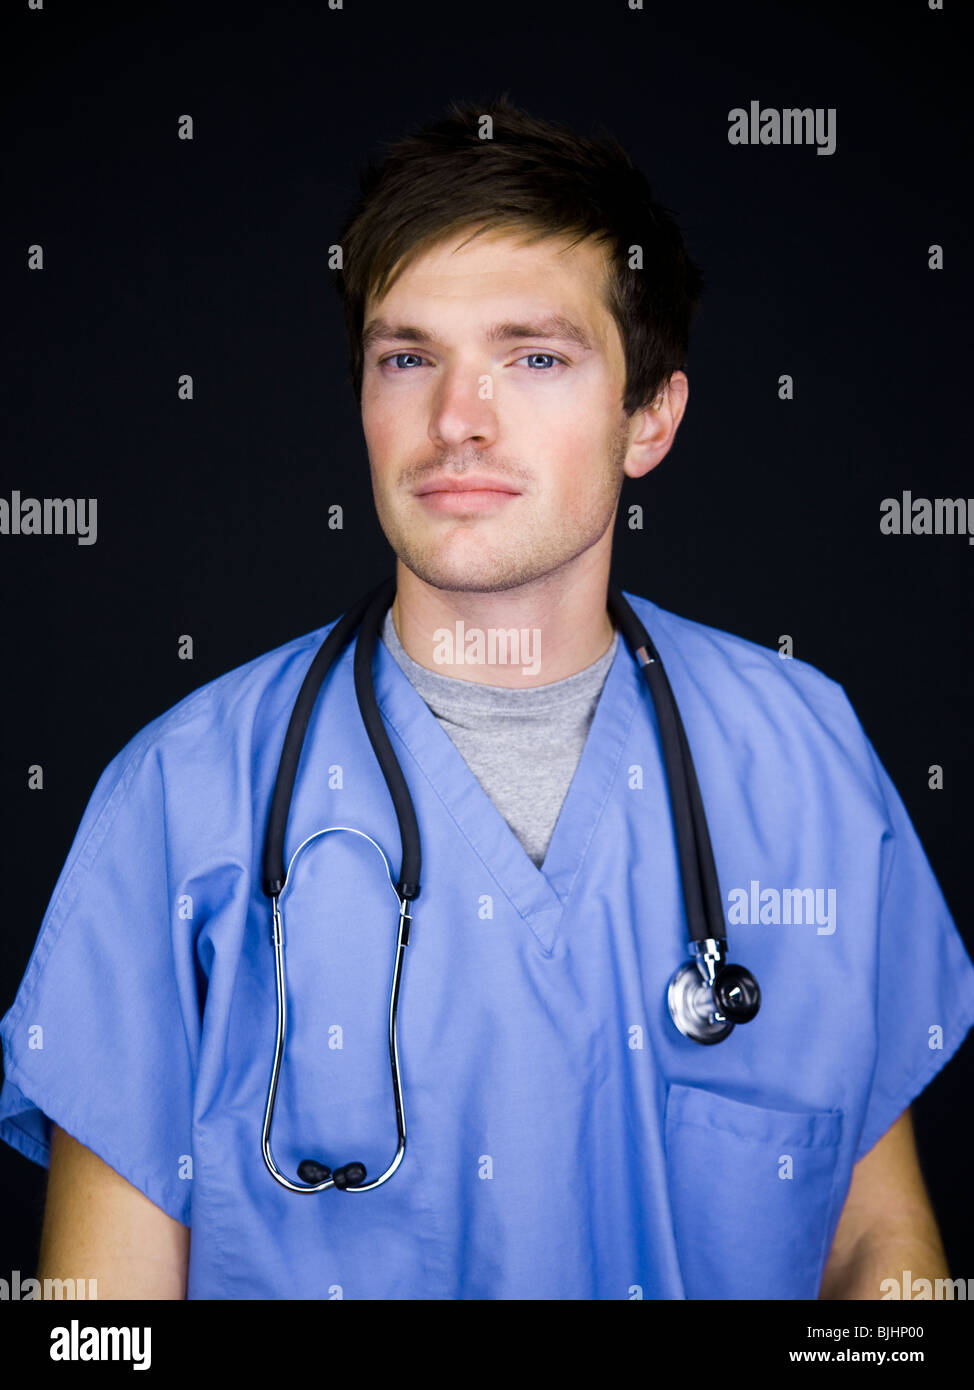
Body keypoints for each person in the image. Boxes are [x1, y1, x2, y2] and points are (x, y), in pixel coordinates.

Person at [2, 97, 973, 1302]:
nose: (455, 419)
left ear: (649, 417)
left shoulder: (805, 756)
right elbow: (99, 1327)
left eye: (534, 356)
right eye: (406, 357)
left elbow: (876, 1246)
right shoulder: (181, 795)